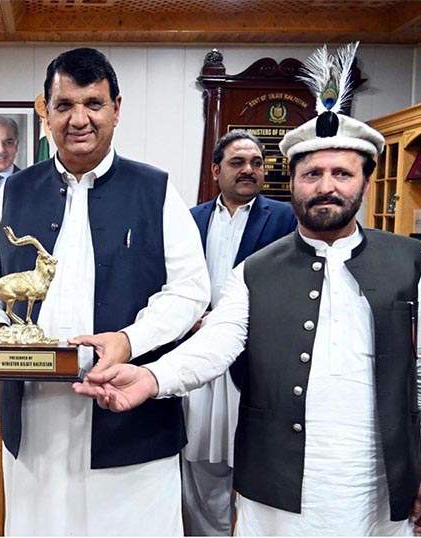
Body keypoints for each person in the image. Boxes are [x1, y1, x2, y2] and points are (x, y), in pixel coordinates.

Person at [75, 44, 421, 536]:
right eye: (312, 174)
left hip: (378, 490)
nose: (327, 186)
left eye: (342, 173)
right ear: (293, 183)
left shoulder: (410, 262)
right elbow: (214, 345)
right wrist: (151, 379)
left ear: (365, 181)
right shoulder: (256, 270)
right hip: (275, 496)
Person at [0, 47, 210, 536]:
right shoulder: (14, 191)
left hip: (128, 412)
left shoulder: (155, 190)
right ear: (46, 112)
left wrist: (128, 341)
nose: (80, 119)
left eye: (94, 104)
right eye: (65, 105)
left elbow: (190, 290)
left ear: (117, 108)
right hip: (36, 418)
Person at [181, 130, 296, 536]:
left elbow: (293, 289)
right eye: (237, 162)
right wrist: (189, 319)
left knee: (250, 461)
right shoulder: (189, 219)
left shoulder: (286, 219)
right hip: (196, 356)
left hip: (254, 362)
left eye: (256, 163)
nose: (249, 170)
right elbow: (172, 283)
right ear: (216, 170)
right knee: (199, 462)